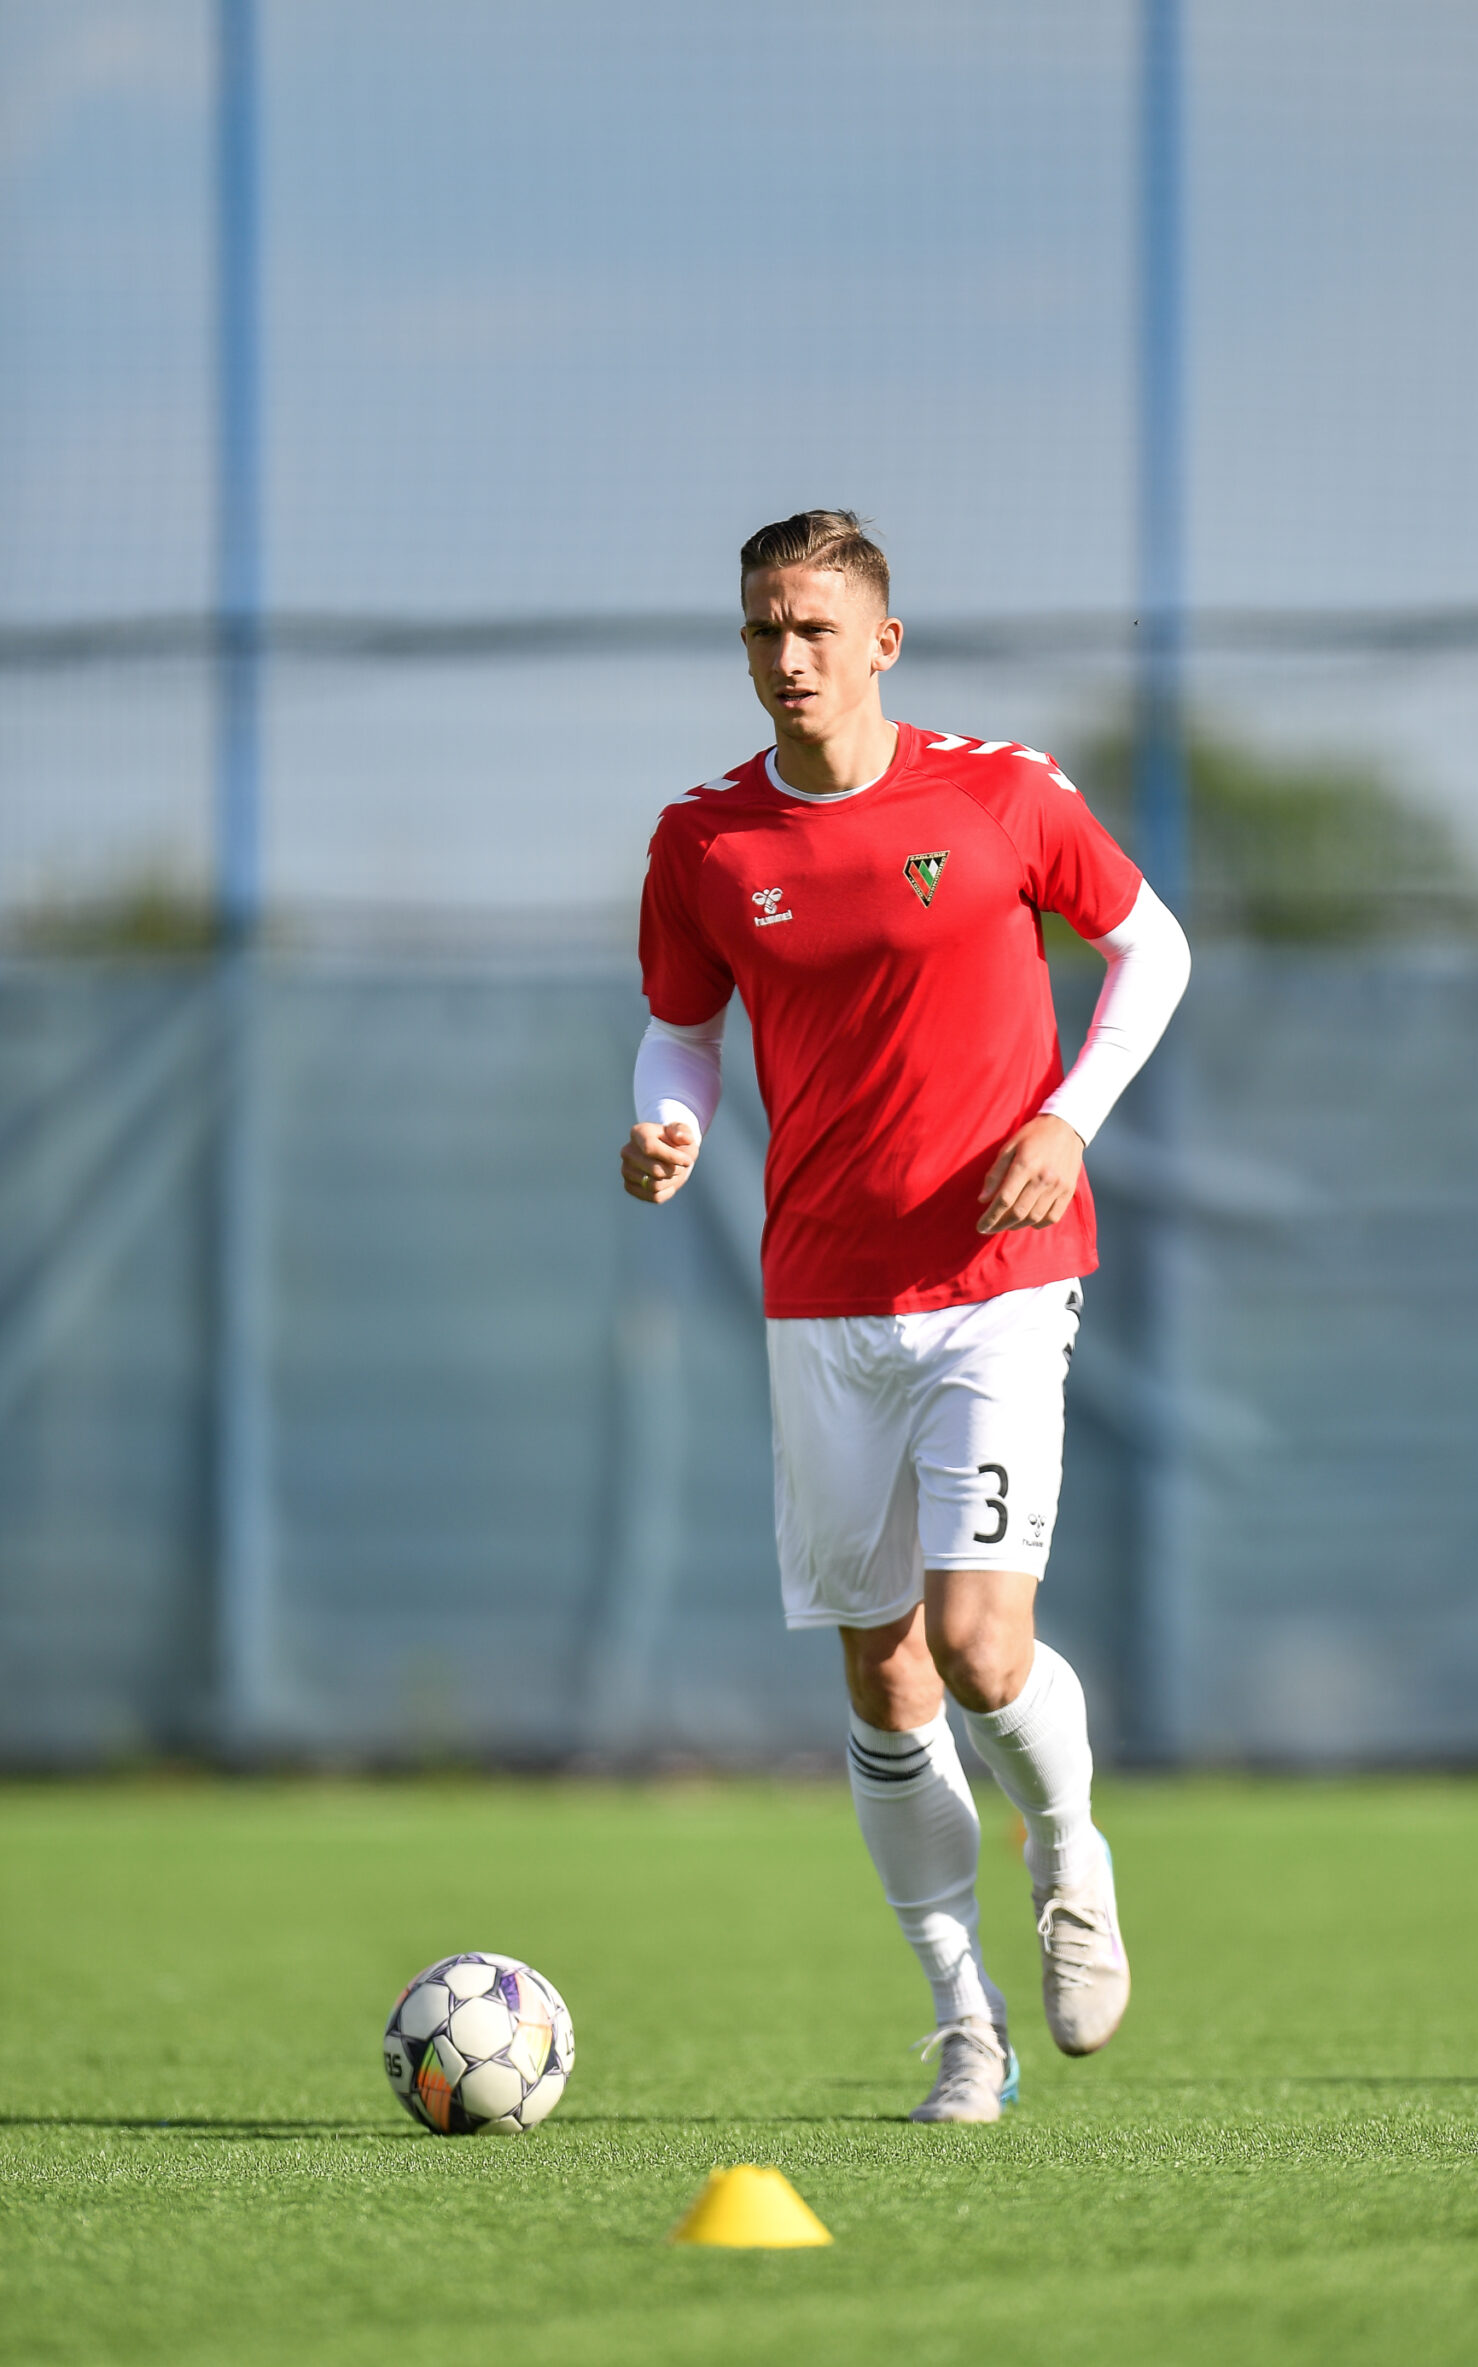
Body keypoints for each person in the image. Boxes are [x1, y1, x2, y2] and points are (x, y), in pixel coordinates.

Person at [622, 511, 1190, 2123]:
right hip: (821, 1296)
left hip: (1000, 1280)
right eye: (762, 629)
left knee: (978, 1643)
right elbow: (679, 1030)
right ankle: (963, 2022)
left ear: (881, 641)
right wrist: (666, 1122)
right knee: (883, 1680)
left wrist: (1068, 1118)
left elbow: (1151, 949)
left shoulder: (1000, 794)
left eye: (814, 628)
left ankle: (1068, 1854)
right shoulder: (706, 842)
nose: (786, 657)